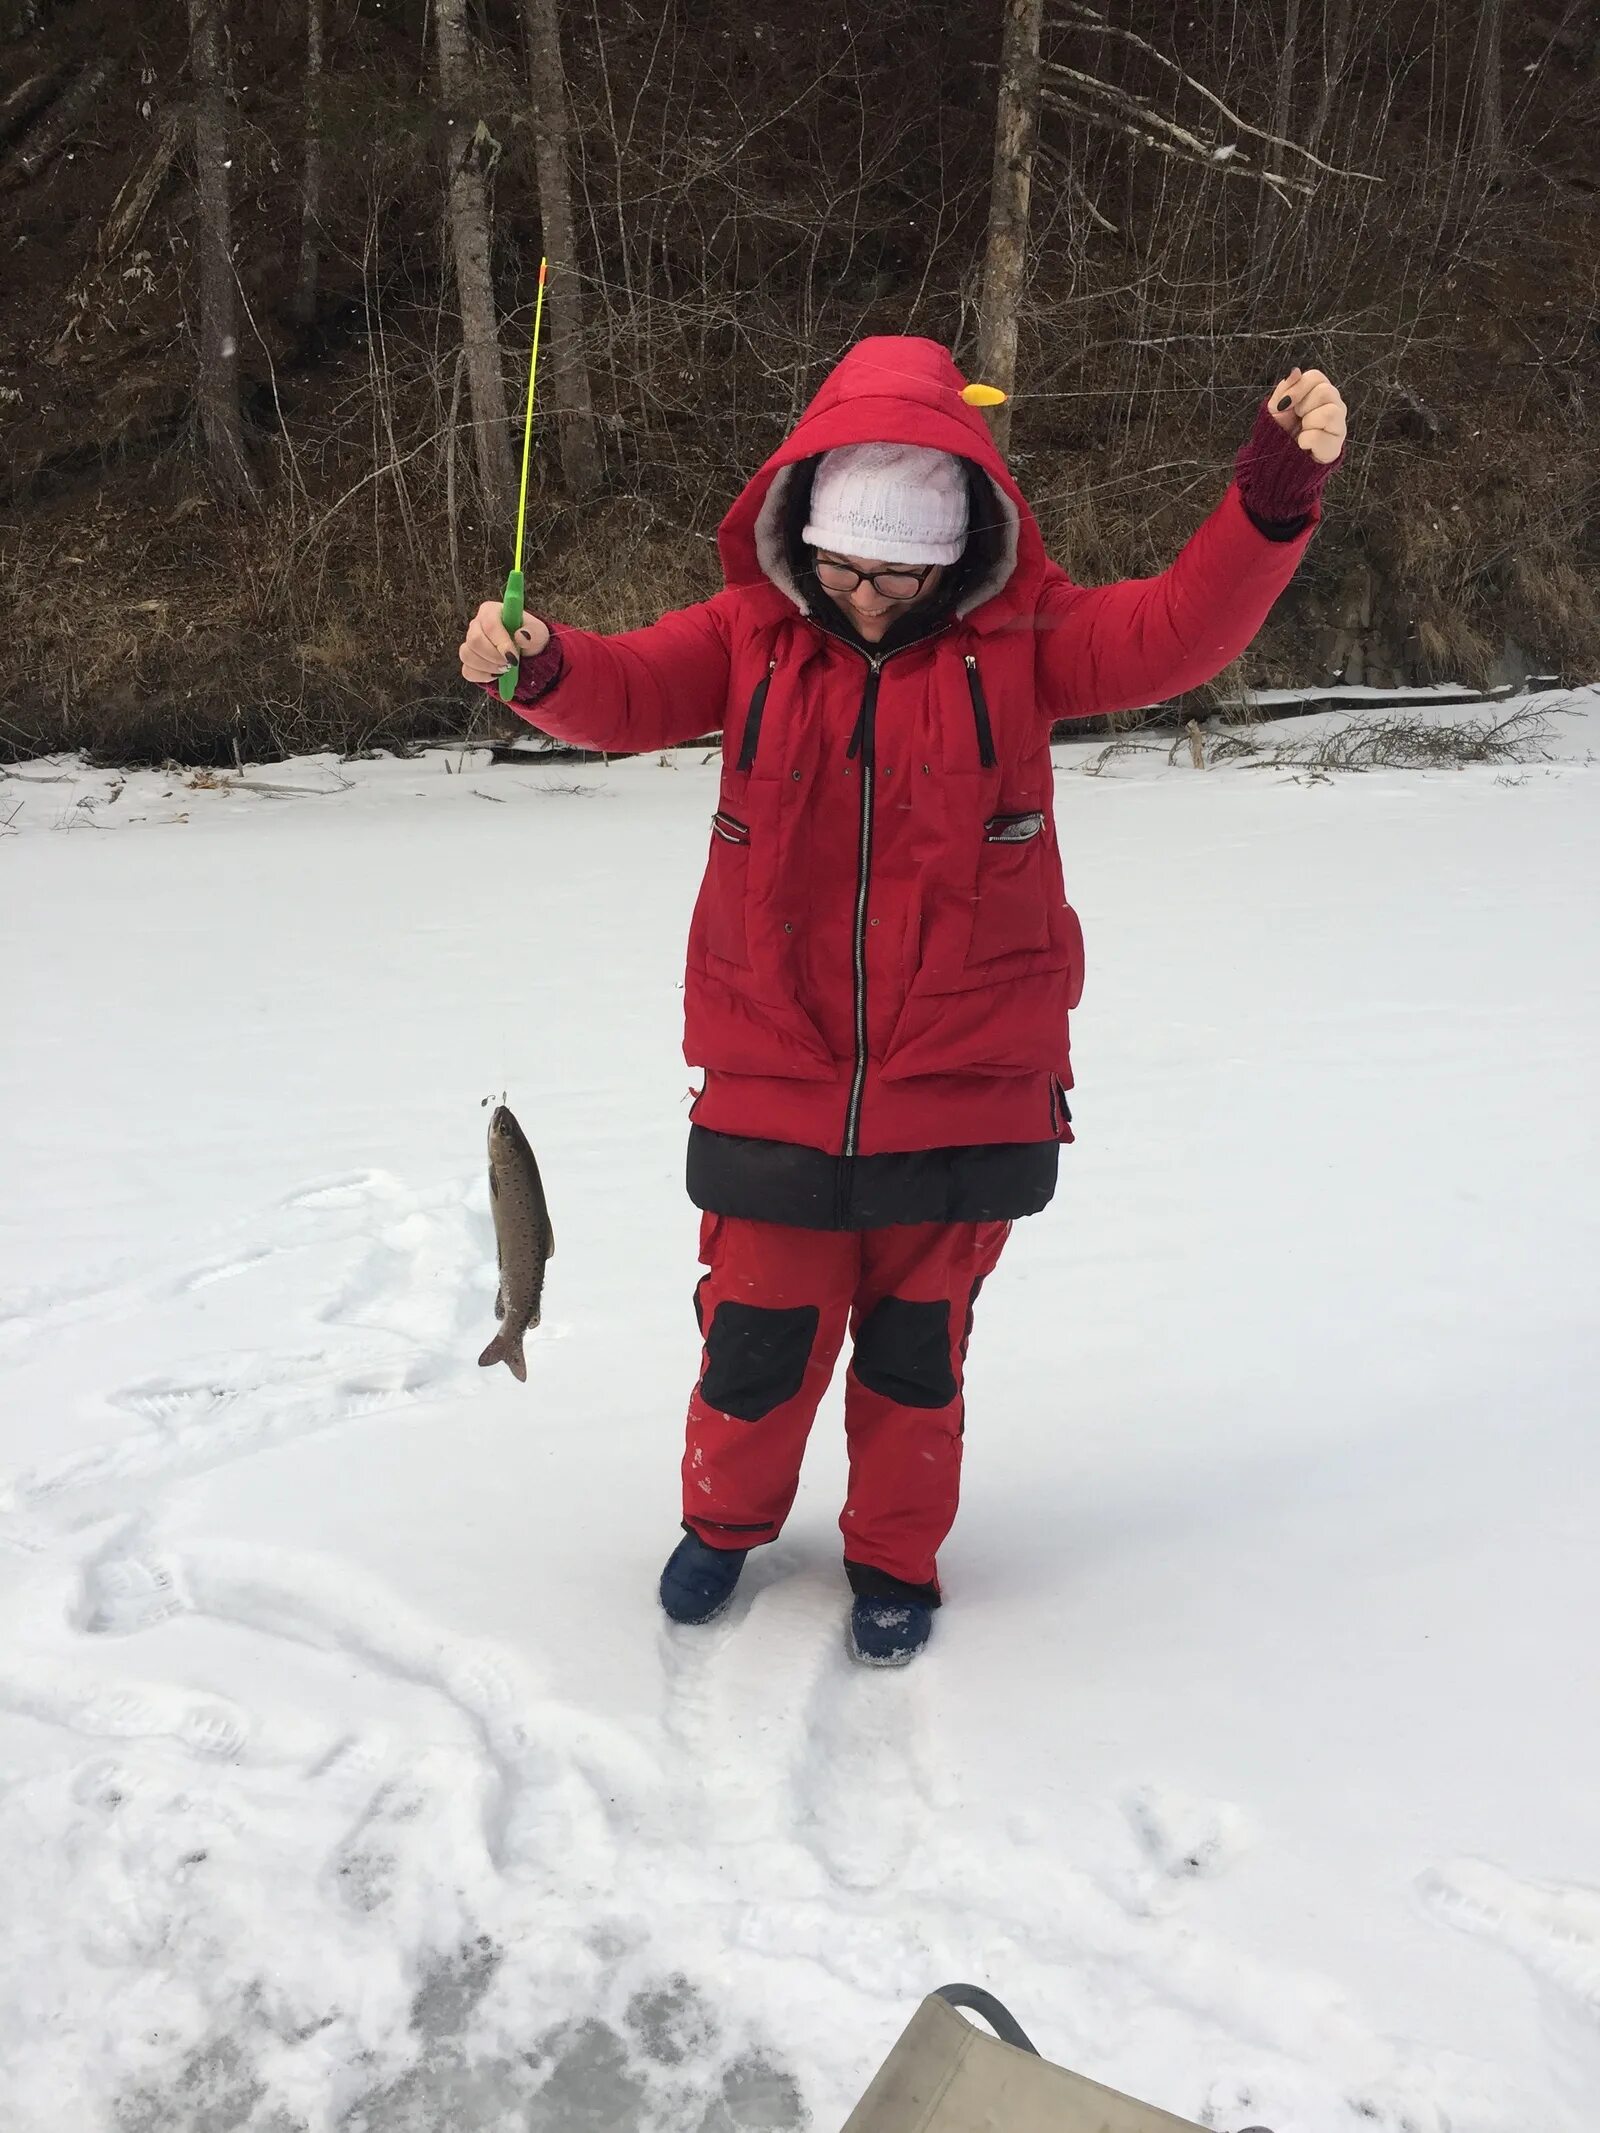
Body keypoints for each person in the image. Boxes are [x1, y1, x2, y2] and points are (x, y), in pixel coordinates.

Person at [459, 336, 1346, 1666]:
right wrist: (536, 665)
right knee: (753, 1340)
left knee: (915, 1359)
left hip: (966, 1077)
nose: (865, 598)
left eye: (897, 573)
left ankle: (893, 1556)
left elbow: (1180, 629)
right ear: (802, 531)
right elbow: (629, 686)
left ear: (957, 553)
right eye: (842, 566)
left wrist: (1271, 499)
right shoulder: (752, 635)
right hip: (775, 1068)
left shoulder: (1028, 640)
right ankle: (724, 1524)